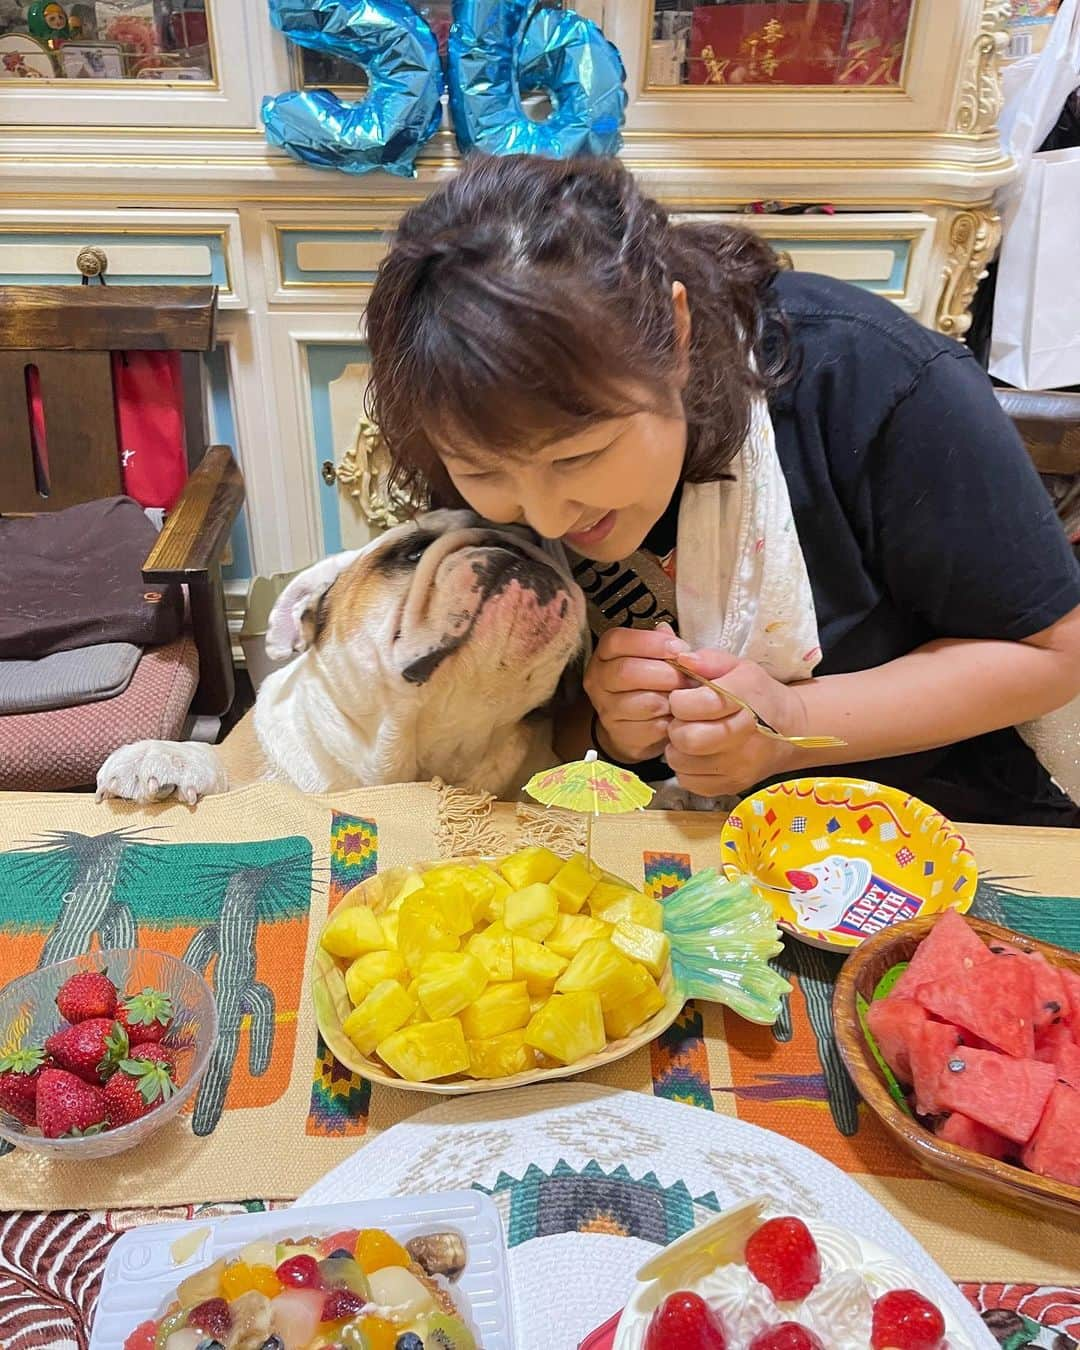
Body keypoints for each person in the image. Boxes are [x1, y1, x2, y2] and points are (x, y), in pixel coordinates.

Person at [364, 154, 1080, 826]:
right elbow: (533, 719)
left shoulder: (867, 379)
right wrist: (610, 726)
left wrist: (792, 727)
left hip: (914, 814)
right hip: (651, 827)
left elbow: (1055, 653)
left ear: (675, 334)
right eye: (486, 472)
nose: (548, 514)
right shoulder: (452, 419)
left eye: (581, 455)